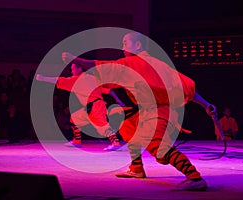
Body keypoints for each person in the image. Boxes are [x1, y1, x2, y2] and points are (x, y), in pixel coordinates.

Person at [61, 31, 223, 191]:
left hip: (158, 111)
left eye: (125, 43)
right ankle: (137, 168)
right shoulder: (156, 64)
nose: (122, 46)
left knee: (160, 148)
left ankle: (194, 177)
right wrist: (206, 105)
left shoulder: (134, 63)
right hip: (149, 110)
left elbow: (104, 67)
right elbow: (185, 87)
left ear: (137, 45)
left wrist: (75, 60)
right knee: (128, 125)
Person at [36, 63, 121, 150]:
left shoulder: (76, 80)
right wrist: (118, 100)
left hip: (95, 106)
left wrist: (43, 78)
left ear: (80, 68)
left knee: (103, 126)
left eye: (73, 69)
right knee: (75, 118)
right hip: (93, 106)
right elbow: (109, 91)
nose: (71, 71)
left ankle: (116, 143)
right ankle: (77, 141)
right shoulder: (92, 78)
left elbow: (58, 80)